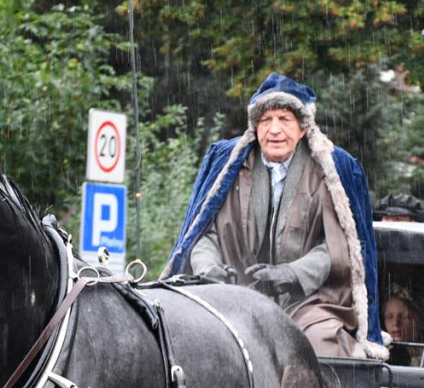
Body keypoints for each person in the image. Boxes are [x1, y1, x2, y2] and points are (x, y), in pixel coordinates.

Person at [164, 73, 387, 360]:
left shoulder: (331, 169)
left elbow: (339, 247)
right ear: (255, 126)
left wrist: (290, 274)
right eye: (266, 120)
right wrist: (209, 268)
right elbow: (204, 233)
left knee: (321, 345)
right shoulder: (228, 164)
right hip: (233, 294)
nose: (274, 130)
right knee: (191, 342)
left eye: (284, 119)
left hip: (309, 303)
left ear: (303, 127)